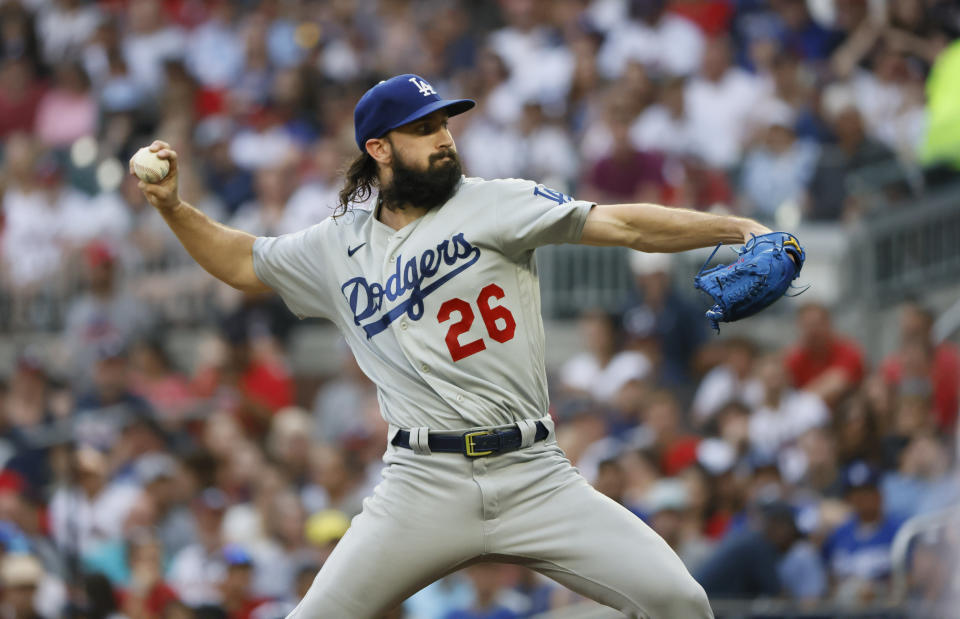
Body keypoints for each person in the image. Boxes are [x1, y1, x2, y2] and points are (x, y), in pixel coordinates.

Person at [132, 73, 777, 618]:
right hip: (422, 481)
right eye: (424, 129)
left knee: (681, 602)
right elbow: (245, 263)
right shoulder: (335, 245)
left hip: (533, 473)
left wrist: (738, 226)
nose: (444, 139)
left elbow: (626, 223)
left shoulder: (498, 203)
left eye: (445, 124)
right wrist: (173, 208)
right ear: (378, 148)